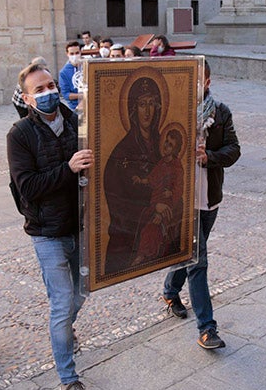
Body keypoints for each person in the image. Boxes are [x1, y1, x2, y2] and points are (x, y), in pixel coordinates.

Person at [7, 62, 95, 390]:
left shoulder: (76, 122)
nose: (47, 93)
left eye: (49, 86)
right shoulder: (20, 135)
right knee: (61, 304)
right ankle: (68, 380)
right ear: (28, 98)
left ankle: (64, 334)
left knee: (81, 293)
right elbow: (26, 187)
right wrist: (68, 168)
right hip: (46, 232)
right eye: (39, 90)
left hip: (80, 225)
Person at [160, 60, 241, 349]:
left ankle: (170, 290)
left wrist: (210, 157)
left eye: (198, 80)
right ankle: (207, 328)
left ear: (207, 82)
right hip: (182, 201)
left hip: (209, 197)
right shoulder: (171, 112)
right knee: (198, 261)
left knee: (190, 254)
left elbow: (234, 150)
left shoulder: (220, 112)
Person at [103, 74, 163, 275]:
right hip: (128, 234)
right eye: (142, 104)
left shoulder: (164, 144)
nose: (147, 111)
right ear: (132, 109)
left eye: (152, 104)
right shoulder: (122, 151)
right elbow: (116, 197)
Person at [131, 127, 185, 266]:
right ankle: (143, 254)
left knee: (153, 228)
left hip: (168, 204)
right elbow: (152, 178)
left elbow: (179, 188)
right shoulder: (161, 162)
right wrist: (141, 180)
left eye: (170, 145)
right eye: (166, 142)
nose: (166, 146)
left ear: (176, 149)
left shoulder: (177, 166)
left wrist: (171, 194)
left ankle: (145, 255)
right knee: (146, 226)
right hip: (156, 201)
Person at [58, 41, 84, 110]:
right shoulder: (63, 72)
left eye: (77, 53)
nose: (75, 56)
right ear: (67, 54)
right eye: (72, 54)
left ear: (80, 52)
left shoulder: (88, 66)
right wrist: (83, 96)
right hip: (75, 107)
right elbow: (65, 94)